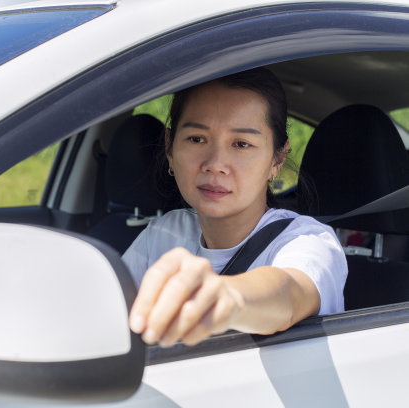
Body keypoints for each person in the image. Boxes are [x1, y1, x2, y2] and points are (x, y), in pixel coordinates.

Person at [123, 68, 347, 348]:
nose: (215, 163)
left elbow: (290, 293)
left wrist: (226, 295)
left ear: (277, 159)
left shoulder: (308, 242)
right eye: (197, 139)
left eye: (241, 144)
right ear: (170, 147)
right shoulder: (165, 234)